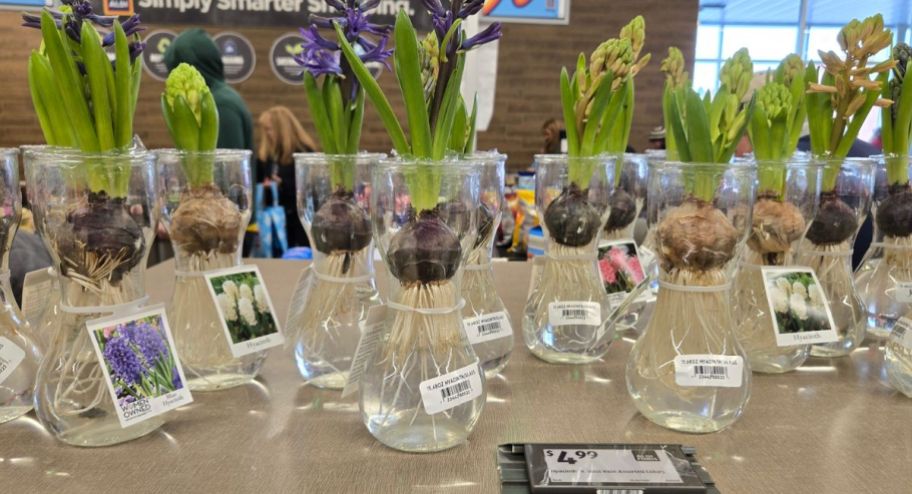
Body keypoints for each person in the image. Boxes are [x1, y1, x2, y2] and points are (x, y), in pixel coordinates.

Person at [163, 28, 257, 254]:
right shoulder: (224, 98)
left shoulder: (219, 105)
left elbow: (224, 172)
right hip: (214, 221)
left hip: (219, 226)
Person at [256, 106, 318, 250]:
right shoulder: (268, 155)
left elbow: (310, 191)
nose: (266, 134)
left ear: (281, 129)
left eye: (269, 129)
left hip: (298, 224)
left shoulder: (304, 153)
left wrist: (283, 185)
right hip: (275, 222)